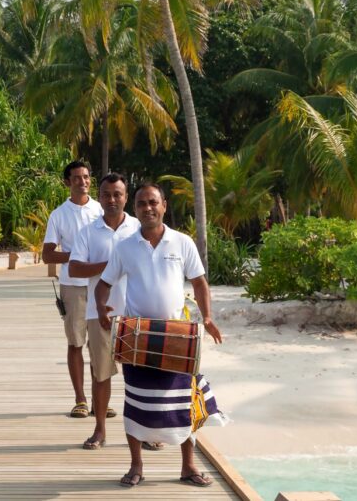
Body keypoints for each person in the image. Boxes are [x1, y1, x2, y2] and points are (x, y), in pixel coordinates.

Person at [96, 182, 229, 488]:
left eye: (153, 202)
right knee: (135, 401)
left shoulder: (182, 243)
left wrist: (207, 317)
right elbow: (104, 284)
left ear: (164, 205)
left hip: (177, 335)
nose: (147, 208)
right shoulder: (125, 247)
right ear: (136, 209)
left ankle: (187, 466)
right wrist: (103, 311)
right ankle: (136, 466)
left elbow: (199, 283)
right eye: (142, 204)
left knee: (183, 402)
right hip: (136, 335)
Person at [67, 173, 141, 450]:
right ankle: (100, 430)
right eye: (107, 195)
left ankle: (145, 432)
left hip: (137, 313)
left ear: (126, 197)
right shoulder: (88, 231)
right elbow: (74, 268)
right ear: (100, 198)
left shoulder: (138, 228)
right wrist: (111, 265)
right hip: (99, 314)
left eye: (117, 194)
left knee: (139, 376)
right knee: (102, 375)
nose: (112, 200)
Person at [42, 160, 103, 418]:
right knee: (76, 342)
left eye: (86, 177)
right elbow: (47, 255)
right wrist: (76, 258)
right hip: (73, 286)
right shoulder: (59, 214)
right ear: (67, 182)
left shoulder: (101, 210)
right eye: (77, 178)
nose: (83, 182)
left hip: (101, 284)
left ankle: (102, 399)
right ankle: (80, 399)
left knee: (100, 344)